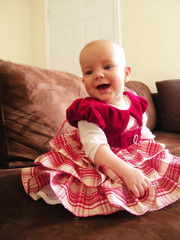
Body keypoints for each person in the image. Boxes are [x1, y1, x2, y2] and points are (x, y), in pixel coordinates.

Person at [22, 40, 180, 217]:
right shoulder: (90, 111)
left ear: (126, 73)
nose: (98, 74)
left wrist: (152, 147)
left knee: (164, 168)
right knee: (111, 182)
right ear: (83, 81)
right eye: (89, 72)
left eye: (107, 67)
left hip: (130, 150)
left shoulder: (134, 100)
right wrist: (126, 171)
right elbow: (96, 148)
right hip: (100, 155)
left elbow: (139, 128)